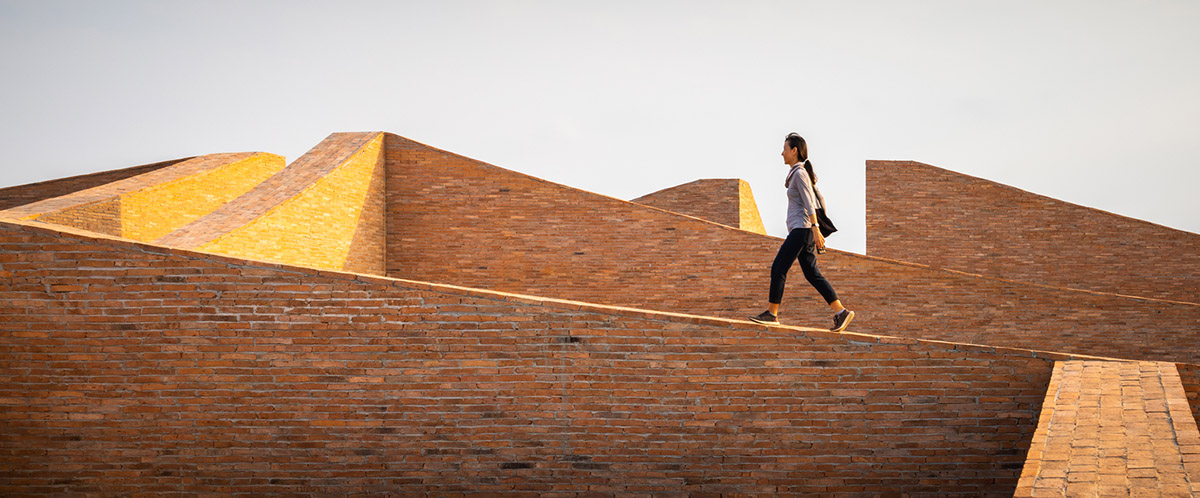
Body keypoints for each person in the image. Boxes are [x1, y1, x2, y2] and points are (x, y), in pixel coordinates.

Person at [749, 132, 855, 332]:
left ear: (794, 150)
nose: (782, 153)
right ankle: (840, 312)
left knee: (779, 268)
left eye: (785, 149)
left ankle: (772, 314)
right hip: (804, 230)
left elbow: (809, 202)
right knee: (812, 274)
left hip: (802, 229)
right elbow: (818, 200)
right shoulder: (798, 173)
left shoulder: (799, 174)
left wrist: (815, 228)